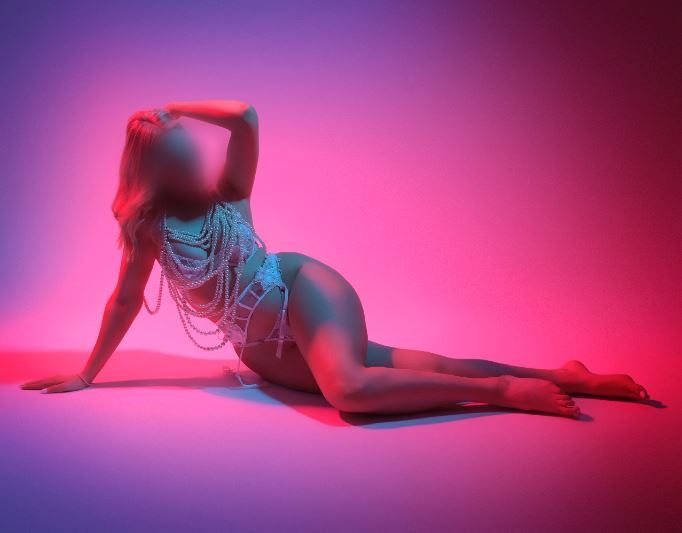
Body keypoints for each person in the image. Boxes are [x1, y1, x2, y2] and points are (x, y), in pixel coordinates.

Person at [22, 100, 649, 418]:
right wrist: (87, 375)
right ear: (154, 168)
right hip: (261, 348)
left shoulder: (228, 194)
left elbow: (244, 116)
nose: (189, 158)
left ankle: (505, 391)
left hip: (302, 288)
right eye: (174, 153)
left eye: (187, 145)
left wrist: (176, 107)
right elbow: (125, 300)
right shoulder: (147, 228)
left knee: (349, 390)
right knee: (407, 367)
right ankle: (566, 374)